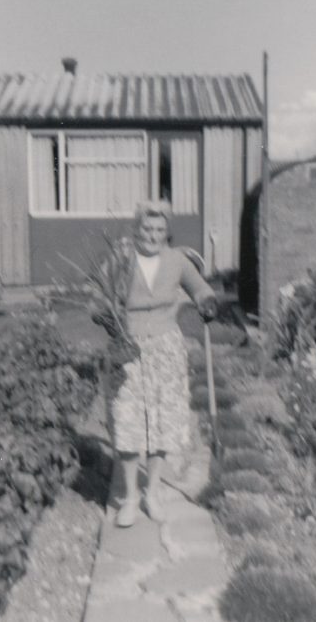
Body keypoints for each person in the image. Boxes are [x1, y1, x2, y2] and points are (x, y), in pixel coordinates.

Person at [96, 200, 217, 527]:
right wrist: (107, 320)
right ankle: (131, 498)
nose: (152, 235)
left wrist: (207, 302)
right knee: (128, 418)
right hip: (128, 348)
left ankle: (154, 493)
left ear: (167, 232)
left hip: (166, 348)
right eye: (147, 228)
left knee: (162, 420)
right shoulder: (121, 260)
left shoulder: (177, 260)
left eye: (159, 230)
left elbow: (200, 289)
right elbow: (98, 298)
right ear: (137, 229)